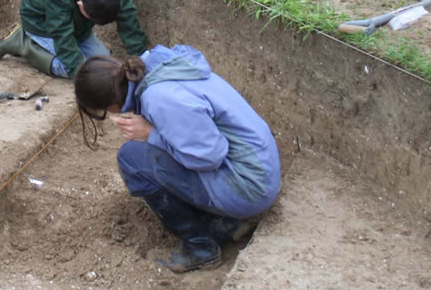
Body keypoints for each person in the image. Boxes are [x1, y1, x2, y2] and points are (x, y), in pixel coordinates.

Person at [74, 46, 281, 273]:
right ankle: (225, 224)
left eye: (106, 111)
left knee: (132, 159)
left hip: (249, 187)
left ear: (111, 102)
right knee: (146, 152)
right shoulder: (156, 66)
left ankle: (201, 246)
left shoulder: (159, 97)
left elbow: (208, 156)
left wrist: (151, 135)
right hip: (260, 166)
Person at [0, 0, 149, 78]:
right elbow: (61, 34)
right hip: (41, 23)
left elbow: (128, 18)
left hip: (76, 25)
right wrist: (81, 73)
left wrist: (140, 59)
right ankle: (20, 42)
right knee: (82, 71)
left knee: (105, 64)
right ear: (80, 4)